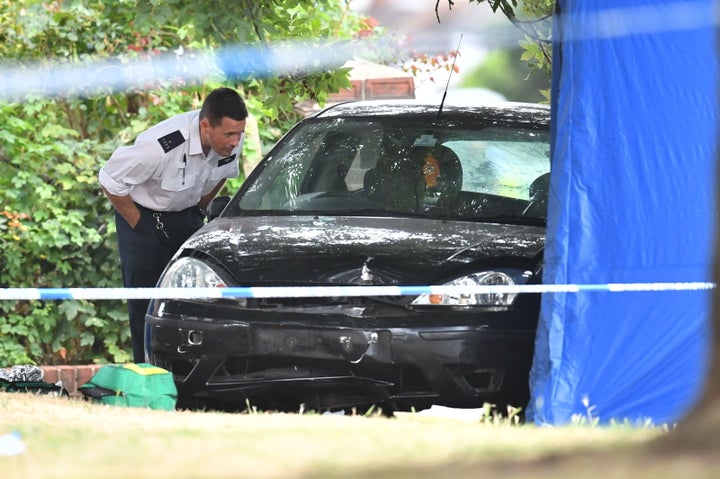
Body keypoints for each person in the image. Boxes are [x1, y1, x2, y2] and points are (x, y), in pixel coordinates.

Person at [99, 87, 248, 363]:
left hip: (185, 214)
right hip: (142, 217)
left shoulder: (229, 141)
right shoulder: (161, 146)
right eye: (229, 134)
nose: (235, 141)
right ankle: (148, 376)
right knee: (146, 307)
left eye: (239, 133)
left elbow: (222, 174)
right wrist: (140, 225)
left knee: (193, 299)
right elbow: (110, 179)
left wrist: (199, 209)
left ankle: (186, 374)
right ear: (205, 126)